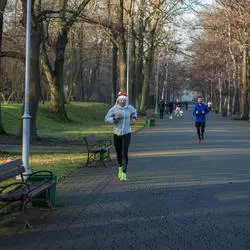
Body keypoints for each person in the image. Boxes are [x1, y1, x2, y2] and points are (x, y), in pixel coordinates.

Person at [105, 92, 137, 182]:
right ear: (118, 100)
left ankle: (124, 173)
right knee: (118, 153)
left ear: (126, 101)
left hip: (127, 133)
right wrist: (114, 119)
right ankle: (120, 167)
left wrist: (134, 118)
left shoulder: (129, 108)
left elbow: (134, 111)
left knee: (124, 153)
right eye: (121, 100)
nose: (122, 101)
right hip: (117, 134)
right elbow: (106, 119)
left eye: (124, 100)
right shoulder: (114, 109)